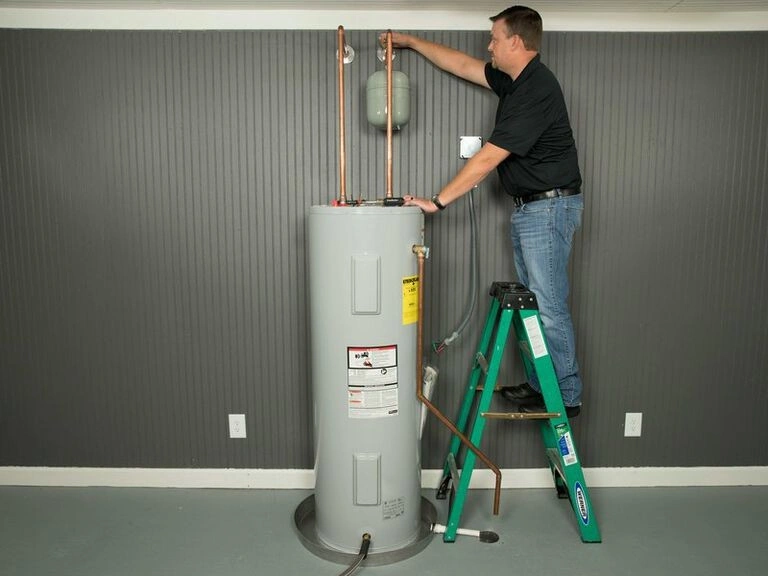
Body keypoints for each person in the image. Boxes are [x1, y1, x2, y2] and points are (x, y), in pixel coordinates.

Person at [384, 5, 584, 417]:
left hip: (549, 208)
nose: (488, 46)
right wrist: (412, 42)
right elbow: (462, 65)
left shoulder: (535, 89)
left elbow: (489, 158)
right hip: (533, 209)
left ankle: (565, 395)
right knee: (536, 304)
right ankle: (542, 384)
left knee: (548, 306)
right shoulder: (515, 81)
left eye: (494, 39)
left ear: (516, 41)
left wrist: (437, 200)